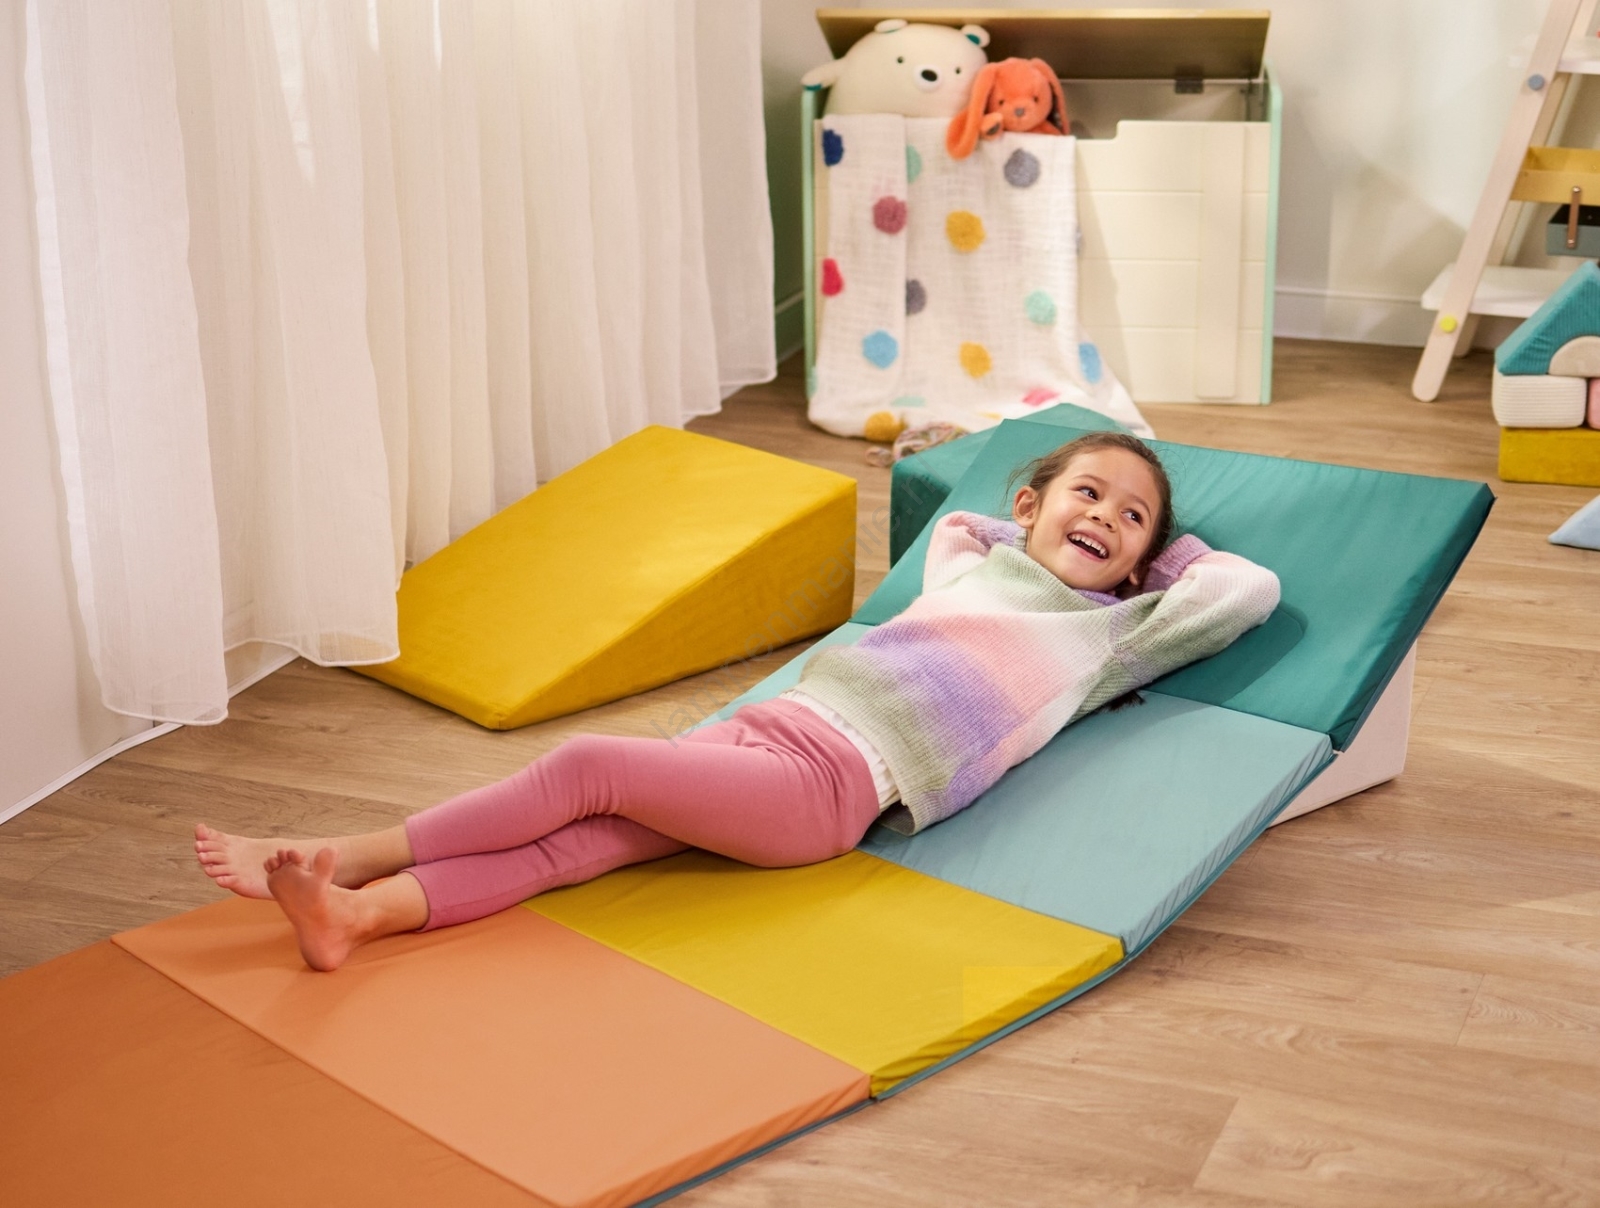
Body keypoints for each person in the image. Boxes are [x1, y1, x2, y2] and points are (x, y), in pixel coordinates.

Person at [195, 432, 1279, 971]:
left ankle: (348, 852)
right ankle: (358, 916)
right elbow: (960, 525)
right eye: (1088, 494)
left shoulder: (1108, 634)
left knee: (586, 767)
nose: (1106, 519)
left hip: (829, 786)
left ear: (1147, 558)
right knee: (578, 844)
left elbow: (1245, 591)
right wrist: (1043, 516)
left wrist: (1157, 562)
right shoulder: (971, 566)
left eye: (1132, 518)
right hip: (774, 731)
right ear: (1030, 505)